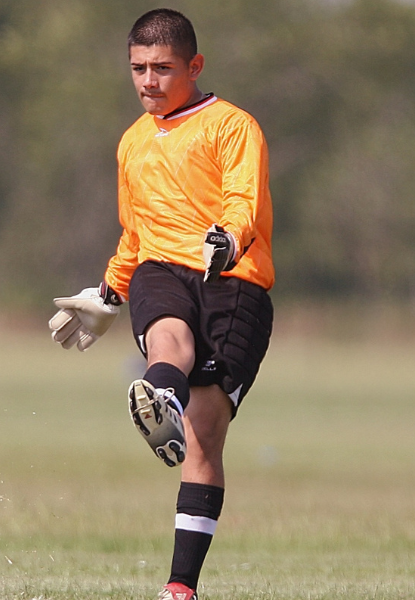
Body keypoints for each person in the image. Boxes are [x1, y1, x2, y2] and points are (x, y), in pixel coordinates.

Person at [48, 8, 274, 600]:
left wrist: (227, 237)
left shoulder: (232, 125)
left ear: (194, 66)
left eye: (162, 68)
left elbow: (242, 198)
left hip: (233, 278)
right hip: (161, 269)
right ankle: (159, 400)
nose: (148, 80)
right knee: (167, 335)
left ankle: (180, 586)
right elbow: (134, 230)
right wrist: (108, 288)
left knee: (205, 436)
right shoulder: (131, 142)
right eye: (138, 68)